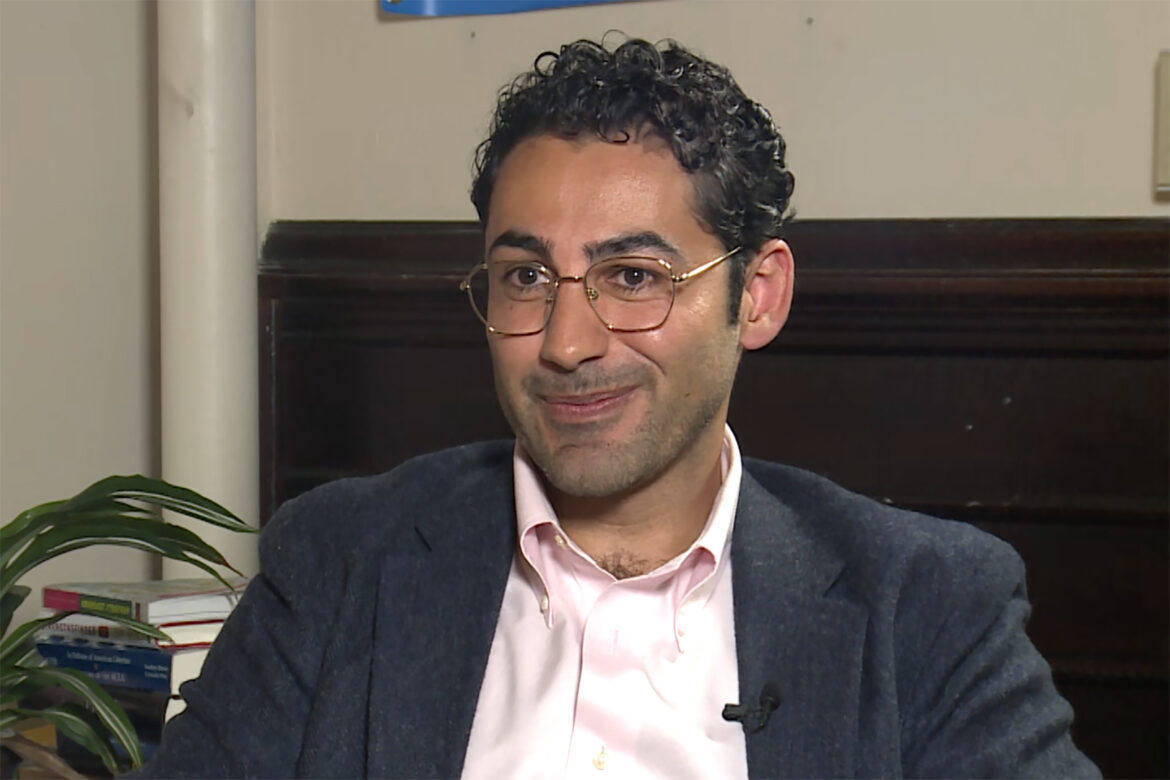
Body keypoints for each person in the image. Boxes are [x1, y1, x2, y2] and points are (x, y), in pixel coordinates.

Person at [140, 37, 1098, 778]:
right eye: (525, 277)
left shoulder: (926, 608)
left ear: (757, 297)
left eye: (633, 276)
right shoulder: (341, 563)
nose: (566, 343)